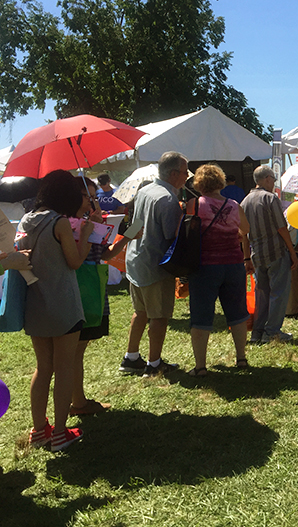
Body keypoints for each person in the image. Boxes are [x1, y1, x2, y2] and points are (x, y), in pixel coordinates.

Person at [20, 170, 93, 451]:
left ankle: (39, 430)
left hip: (35, 303)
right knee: (63, 369)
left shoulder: (27, 219)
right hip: (62, 303)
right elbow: (75, 262)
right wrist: (85, 235)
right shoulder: (60, 223)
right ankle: (61, 433)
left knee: (43, 367)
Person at [119, 151, 188, 377]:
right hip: (155, 264)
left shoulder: (144, 191)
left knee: (140, 312)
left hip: (136, 260)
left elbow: (133, 224)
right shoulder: (168, 199)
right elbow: (172, 237)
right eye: (185, 171)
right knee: (159, 316)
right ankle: (154, 363)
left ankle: (131, 358)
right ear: (175, 173)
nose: (187, 175)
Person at [71, 178, 135, 415]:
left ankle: (79, 399)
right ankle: (77, 402)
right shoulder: (70, 225)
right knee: (75, 350)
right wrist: (90, 229)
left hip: (93, 286)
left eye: (95, 196)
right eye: (89, 196)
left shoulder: (87, 223)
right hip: (81, 288)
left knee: (80, 348)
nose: (94, 201)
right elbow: (77, 258)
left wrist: (126, 237)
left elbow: (106, 255)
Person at [186, 164, 252, 376]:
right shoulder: (234, 205)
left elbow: (184, 232)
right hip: (233, 264)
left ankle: (200, 366)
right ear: (221, 181)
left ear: (199, 183)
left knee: (201, 315)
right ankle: (241, 358)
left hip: (205, 266)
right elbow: (245, 229)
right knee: (238, 312)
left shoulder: (194, 204)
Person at [241, 165, 298, 343]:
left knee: (262, 295)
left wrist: (247, 258)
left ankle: (257, 332)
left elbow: (243, 234)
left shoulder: (244, 201)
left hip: (257, 255)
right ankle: (272, 331)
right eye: (273, 178)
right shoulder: (270, 198)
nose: (274, 182)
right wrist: (292, 252)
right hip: (276, 252)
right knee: (279, 293)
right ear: (266, 178)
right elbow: (282, 228)